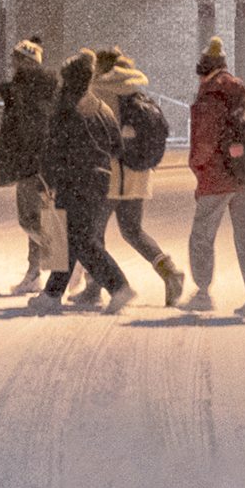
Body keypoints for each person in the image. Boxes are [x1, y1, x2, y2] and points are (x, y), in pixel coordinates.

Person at [35, 51, 131, 311]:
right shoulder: (101, 107)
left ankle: (119, 286)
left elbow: (53, 146)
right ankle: (52, 294)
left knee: (80, 241)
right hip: (99, 180)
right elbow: (117, 145)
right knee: (73, 238)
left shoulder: (65, 107)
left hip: (73, 180)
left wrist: (47, 178)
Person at [92, 46, 184, 303]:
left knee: (92, 234)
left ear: (102, 68)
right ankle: (170, 273)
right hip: (137, 175)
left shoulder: (103, 93)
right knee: (133, 230)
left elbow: (102, 136)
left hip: (111, 176)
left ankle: (94, 289)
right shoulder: (134, 91)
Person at [184, 35, 245, 315]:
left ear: (204, 70)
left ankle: (203, 292)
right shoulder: (239, 89)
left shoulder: (210, 93)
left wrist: (198, 167)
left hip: (219, 177)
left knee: (202, 235)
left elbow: (205, 141)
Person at [0, 36, 58, 292]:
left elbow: (26, 128)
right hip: (37, 161)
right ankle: (35, 272)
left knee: (30, 220)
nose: (12, 64)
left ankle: (64, 257)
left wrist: (17, 154)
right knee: (39, 218)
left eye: (16, 59)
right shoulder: (35, 89)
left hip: (32, 162)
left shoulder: (29, 92)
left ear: (27, 61)